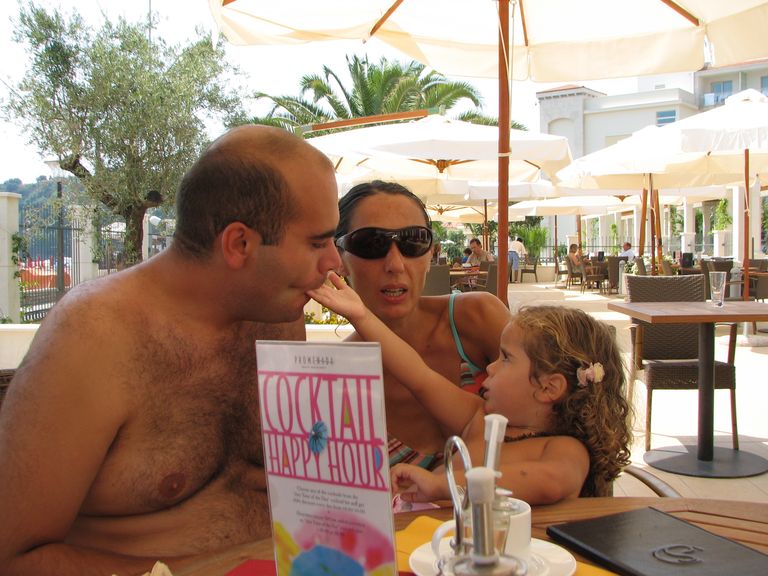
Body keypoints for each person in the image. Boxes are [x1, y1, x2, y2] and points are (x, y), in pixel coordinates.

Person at [0, 125, 342, 574]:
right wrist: (225, 564)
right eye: (317, 242)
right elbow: (13, 557)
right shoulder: (95, 336)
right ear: (239, 243)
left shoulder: (276, 316)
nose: (334, 262)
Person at [308, 279, 632, 504]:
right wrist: (362, 316)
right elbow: (418, 375)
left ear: (549, 387)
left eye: (506, 358)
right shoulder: (477, 417)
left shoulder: (564, 450)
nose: (490, 367)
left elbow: (548, 482)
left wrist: (443, 484)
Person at [334, 181, 510, 471]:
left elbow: (560, 413)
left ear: (430, 254)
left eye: (413, 242)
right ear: (338, 258)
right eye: (372, 244)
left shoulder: (477, 318)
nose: (395, 264)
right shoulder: (335, 379)